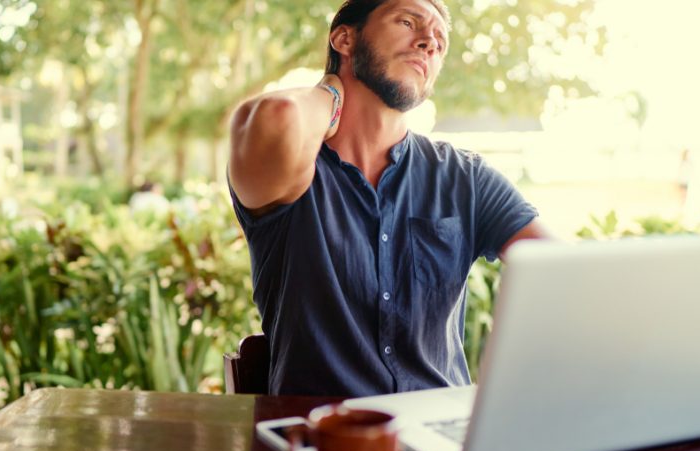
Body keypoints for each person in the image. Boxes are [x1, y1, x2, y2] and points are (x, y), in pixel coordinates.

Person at [227, 0, 549, 397]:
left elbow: (568, 280)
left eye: (440, 42)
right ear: (345, 37)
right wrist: (332, 88)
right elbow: (276, 116)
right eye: (408, 21)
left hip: (441, 439)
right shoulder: (291, 171)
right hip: (322, 440)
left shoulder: (466, 178)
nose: (429, 42)